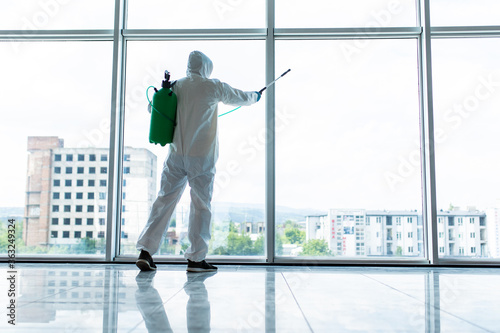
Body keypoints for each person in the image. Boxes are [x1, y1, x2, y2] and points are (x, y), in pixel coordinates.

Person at [136, 50, 261, 272]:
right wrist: (256, 95)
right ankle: (195, 259)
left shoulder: (175, 85)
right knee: (201, 205)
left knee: (164, 202)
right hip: (201, 158)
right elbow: (241, 97)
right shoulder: (212, 86)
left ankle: (145, 252)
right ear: (206, 67)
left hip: (176, 155)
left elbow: (153, 108)